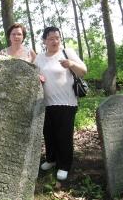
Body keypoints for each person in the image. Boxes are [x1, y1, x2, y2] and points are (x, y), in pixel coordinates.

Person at [34, 26, 87, 181]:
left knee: (64, 135)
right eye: (51, 38)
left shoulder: (67, 52)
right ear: (44, 41)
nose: (55, 41)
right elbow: (35, 76)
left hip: (67, 102)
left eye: (57, 37)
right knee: (49, 134)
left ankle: (64, 165)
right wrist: (38, 79)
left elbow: (83, 71)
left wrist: (71, 64)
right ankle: (51, 159)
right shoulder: (39, 57)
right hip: (46, 103)